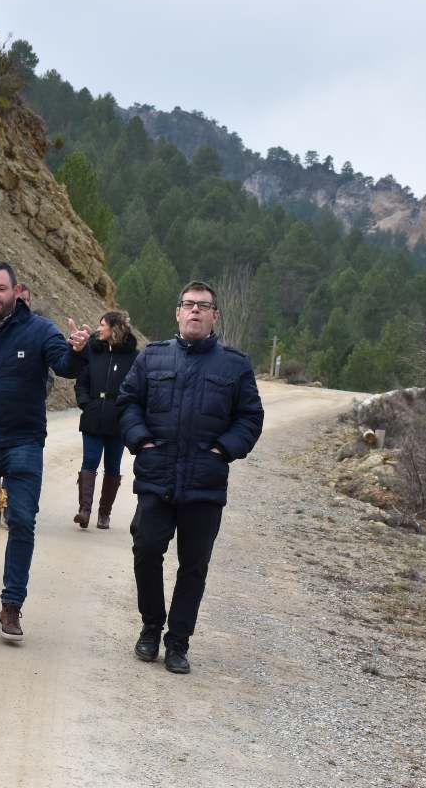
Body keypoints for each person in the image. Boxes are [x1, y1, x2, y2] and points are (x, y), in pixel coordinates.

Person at [116, 280, 263, 674]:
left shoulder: (235, 365)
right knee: (146, 550)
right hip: (156, 477)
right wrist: (141, 440)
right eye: (188, 304)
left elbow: (250, 418)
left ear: (215, 316)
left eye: (203, 305)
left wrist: (223, 450)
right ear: (177, 313)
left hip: (205, 484)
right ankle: (150, 627)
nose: (195, 310)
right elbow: (128, 402)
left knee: (193, 566)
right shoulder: (152, 358)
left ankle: (178, 642)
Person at [0, 261, 90, 642]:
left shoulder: (39, 331)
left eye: (0, 288)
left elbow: (64, 365)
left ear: (16, 291)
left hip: (23, 442)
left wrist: (79, 350)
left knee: (23, 522)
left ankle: (12, 607)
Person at [73, 311, 138, 530]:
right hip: (93, 416)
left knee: (113, 467)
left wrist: (126, 411)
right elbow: (81, 381)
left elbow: (137, 388)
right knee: (89, 462)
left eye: (102, 325)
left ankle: (104, 514)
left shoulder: (133, 356)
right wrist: (85, 403)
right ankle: (84, 511)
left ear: (115, 328)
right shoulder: (93, 351)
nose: (98, 328)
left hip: (117, 420)